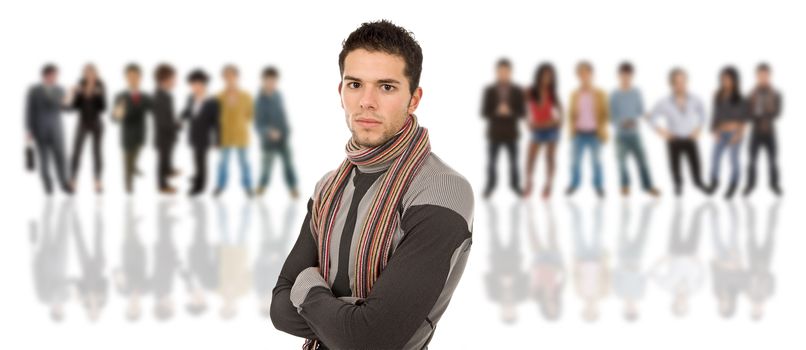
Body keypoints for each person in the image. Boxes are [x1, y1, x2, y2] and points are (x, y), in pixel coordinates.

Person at [270, 20, 474, 350]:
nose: (367, 101)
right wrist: (352, 319)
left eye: (386, 87)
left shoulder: (442, 190)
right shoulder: (328, 188)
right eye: (355, 85)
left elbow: (369, 339)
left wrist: (307, 284)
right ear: (341, 93)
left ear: (414, 98)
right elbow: (279, 309)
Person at [648, 68, 710, 196]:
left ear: (687, 82)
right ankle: (678, 185)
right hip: (673, 139)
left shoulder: (695, 98)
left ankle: (699, 183)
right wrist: (660, 131)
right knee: (675, 167)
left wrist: (698, 129)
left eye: (683, 81)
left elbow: (704, 113)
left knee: (696, 164)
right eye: (677, 82)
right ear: (671, 84)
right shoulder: (664, 102)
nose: (680, 85)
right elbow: (651, 118)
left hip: (690, 137)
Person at [609, 62, 660, 197]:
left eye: (628, 75)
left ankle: (648, 186)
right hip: (620, 135)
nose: (626, 78)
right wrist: (621, 123)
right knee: (621, 162)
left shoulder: (637, 92)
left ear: (632, 76)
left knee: (643, 161)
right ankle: (624, 185)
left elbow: (641, 110)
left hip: (635, 134)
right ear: (618, 76)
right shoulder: (614, 94)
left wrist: (649, 116)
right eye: (623, 75)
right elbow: (611, 116)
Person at [26, 64, 74, 195]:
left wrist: (69, 100)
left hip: (57, 130)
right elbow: (29, 111)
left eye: (56, 75)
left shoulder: (60, 89)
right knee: (44, 159)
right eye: (53, 75)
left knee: (61, 157)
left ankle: (64, 183)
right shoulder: (34, 90)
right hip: (39, 130)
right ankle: (48, 185)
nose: (55, 77)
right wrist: (28, 131)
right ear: (45, 75)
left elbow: (67, 110)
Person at [481, 58, 525, 198]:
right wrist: (497, 111)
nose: (503, 74)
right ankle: (491, 185)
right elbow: (484, 112)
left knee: (514, 163)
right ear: (497, 72)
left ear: (510, 72)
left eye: (506, 72)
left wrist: (510, 111)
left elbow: (523, 112)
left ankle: (515, 186)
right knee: (492, 163)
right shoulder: (490, 91)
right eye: (501, 72)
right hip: (495, 134)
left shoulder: (517, 91)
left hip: (511, 134)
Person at [254, 66, 299, 198]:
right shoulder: (259, 100)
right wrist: (269, 132)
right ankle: (262, 186)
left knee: (288, 165)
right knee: (266, 167)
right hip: (268, 142)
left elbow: (282, 115)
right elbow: (258, 124)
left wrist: (286, 130)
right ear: (263, 81)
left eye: (274, 81)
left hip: (283, 138)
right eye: (269, 81)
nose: (271, 84)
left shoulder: (278, 96)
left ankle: (293, 187)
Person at [566, 61, 609, 198]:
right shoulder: (574, 94)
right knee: (574, 162)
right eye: (581, 73)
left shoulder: (600, 93)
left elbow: (606, 113)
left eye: (586, 72)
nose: (584, 75)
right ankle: (574, 184)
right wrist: (571, 128)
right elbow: (571, 114)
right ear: (578, 76)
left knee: (597, 162)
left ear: (591, 74)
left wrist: (602, 128)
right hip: (578, 134)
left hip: (595, 134)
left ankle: (598, 186)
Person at [709, 66, 750, 199]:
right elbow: (715, 115)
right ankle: (714, 181)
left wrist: (738, 134)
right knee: (714, 157)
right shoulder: (718, 95)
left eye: (728, 79)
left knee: (733, 160)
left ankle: (733, 184)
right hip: (721, 132)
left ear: (734, 80)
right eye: (723, 79)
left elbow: (744, 120)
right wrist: (715, 131)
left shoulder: (741, 98)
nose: (725, 81)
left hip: (734, 133)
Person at [523, 63, 563, 199]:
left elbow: (561, 112)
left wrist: (558, 122)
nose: (547, 78)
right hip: (537, 129)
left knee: (550, 158)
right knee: (530, 158)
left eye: (550, 76)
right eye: (545, 75)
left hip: (551, 129)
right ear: (539, 75)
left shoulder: (552, 93)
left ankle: (548, 184)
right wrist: (527, 122)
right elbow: (520, 107)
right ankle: (529, 183)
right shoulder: (530, 91)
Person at [214, 64, 254, 197]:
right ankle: (220, 186)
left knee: (244, 163)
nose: (230, 79)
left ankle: (248, 187)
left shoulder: (245, 96)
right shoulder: (218, 97)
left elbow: (250, 114)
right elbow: (215, 117)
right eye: (227, 76)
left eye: (232, 76)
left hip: (240, 135)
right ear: (224, 78)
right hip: (225, 135)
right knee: (223, 163)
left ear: (236, 77)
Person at [743, 63, 783, 196]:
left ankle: (774, 185)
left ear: (769, 76)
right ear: (757, 76)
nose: (763, 78)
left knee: (773, 161)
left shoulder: (777, 94)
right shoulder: (751, 94)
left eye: (765, 75)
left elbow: (777, 113)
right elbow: (748, 114)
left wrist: (761, 114)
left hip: (770, 132)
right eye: (760, 75)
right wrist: (761, 115)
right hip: (755, 132)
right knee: (752, 161)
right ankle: (750, 185)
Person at [112, 64, 152, 194]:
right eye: (130, 76)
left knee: (135, 157)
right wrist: (120, 109)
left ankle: (134, 168)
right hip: (127, 134)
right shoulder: (120, 96)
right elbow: (115, 119)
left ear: (140, 78)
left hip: (141, 133)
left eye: (135, 76)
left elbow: (154, 110)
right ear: (125, 78)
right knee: (127, 162)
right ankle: (128, 187)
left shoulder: (146, 96)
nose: (133, 79)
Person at [180, 69, 220, 196]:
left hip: (204, 137)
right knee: (195, 160)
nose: (194, 87)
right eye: (192, 85)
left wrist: (217, 140)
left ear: (203, 85)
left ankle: (200, 186)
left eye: (197, 84)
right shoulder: (190, 98)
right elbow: (186, 112)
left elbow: (216, 123)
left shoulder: (212, 102)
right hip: (193, 135)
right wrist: (180, 119)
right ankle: (197, 176)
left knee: (201, 162)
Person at [69, 63, 106, 194]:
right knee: (76, 152)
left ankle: (98, 181)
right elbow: (74, 107)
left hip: (96, 123)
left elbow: (103, 108)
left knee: (97, 153)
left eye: (91, 73)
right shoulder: (80, 85)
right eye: (87, 73)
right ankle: (73, 180)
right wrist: (73, 94)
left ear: (95, 73)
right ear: (84, 74)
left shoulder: (100, 85)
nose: (89, 75)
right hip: (82, 123)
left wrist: (98, 95)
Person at [151, 64, 182, 194]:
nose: (174, 82)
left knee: (167, 158)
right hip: (163, 136)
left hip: (168, 136)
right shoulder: (159, 97)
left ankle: (169, 171)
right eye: (172, 78)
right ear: (164, 80)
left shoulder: (166, 95)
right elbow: (162, 122)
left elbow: (168, 116)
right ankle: (162, 186)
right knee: (162, 161)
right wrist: (177, 125)